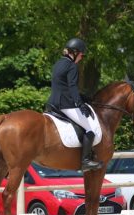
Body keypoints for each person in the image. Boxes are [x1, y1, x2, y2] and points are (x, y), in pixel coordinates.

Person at [47, 38, 103, 171]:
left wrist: (84, 98)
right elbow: (72, 87)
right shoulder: (72, 66)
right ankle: (85, 161)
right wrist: (80, 104)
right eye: (82, 55)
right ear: (75, 52)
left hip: (52, 103)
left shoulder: (58, 64)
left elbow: (63, 86)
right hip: (65, 105)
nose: (81, 58)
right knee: (90, 130)